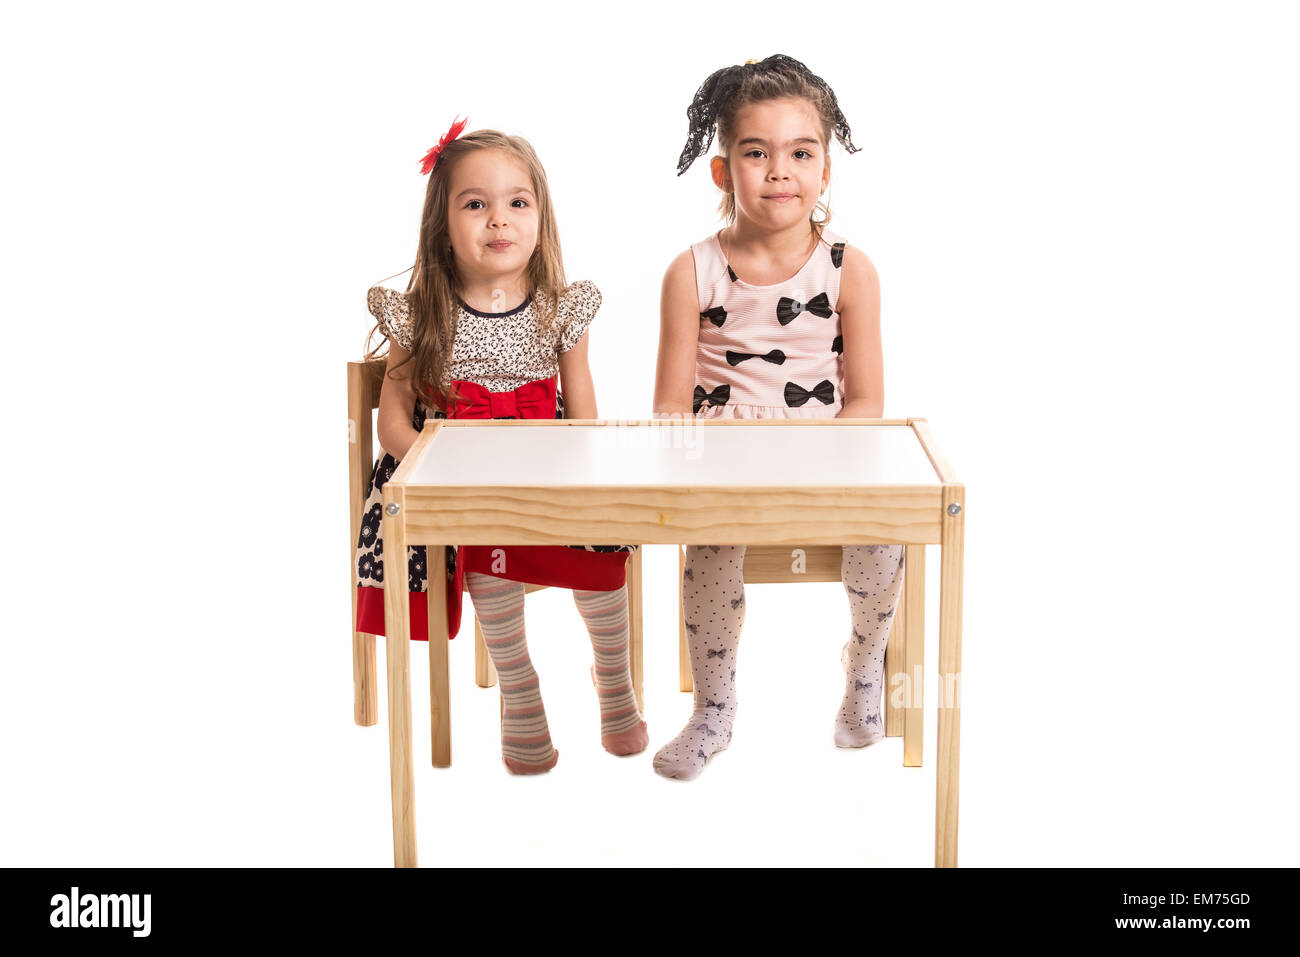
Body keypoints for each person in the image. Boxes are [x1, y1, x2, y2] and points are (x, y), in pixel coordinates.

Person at [354, 119, 648, 773]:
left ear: (539, 218)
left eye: (517, 202)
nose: (499, 219)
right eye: (476, 204)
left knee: (605, 541)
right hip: (465, 480)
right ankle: (520, 693)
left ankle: (614, 680)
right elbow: (393, 420)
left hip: (548, 468)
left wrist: (584, 472)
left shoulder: (559, 309)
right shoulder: (422, 313)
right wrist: (436, 463)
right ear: (443, 223)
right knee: (486, 551)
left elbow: (584, 414)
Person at [652, 56, 905, 780]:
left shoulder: (849, 269)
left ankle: (864, 671)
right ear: (722, 170)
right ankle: (714, 707)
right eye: (756, 153)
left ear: (825, 171)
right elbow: (669, 405)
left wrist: (829, 460)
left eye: (801, 152)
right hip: (725, 465)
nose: (778, 170)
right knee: (708, 557)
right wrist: (702, 454)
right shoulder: (690, 271)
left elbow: (866, 400)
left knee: (885, 540)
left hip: (823, 459)